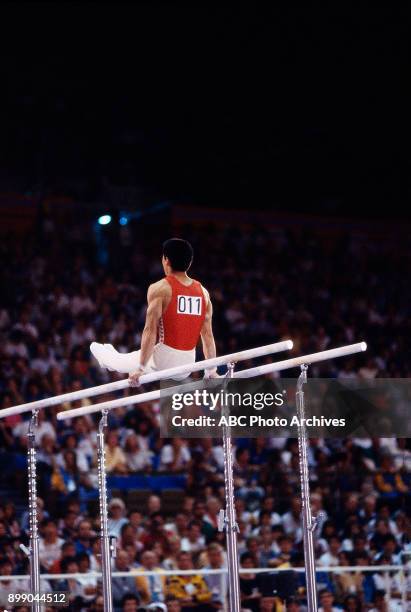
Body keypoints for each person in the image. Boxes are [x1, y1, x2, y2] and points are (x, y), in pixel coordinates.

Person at [90, 238, 217, 384]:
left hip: (163, 361)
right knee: (126, 359)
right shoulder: (203, 292)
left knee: (112, 359)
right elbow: (207, 335)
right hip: (187, 365)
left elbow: (150, 330)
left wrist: (141, 367)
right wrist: (210, 370)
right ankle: (112, 355)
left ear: (166, 260)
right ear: (190, 262)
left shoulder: (160, 288)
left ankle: (106, 358)